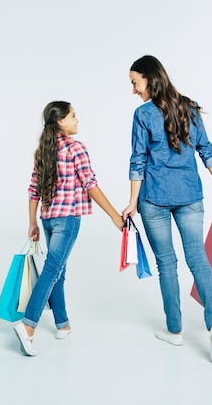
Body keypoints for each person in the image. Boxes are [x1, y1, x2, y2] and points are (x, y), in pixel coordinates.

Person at [122, 55, 212, 363]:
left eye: (135, 83)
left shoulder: (143, 114)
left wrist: (132, 201)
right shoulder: (189, 107)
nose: (133, 90)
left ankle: (175, 331)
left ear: (149, 78)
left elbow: (138, 160)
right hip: (190, 195)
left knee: (167, 264)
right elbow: (206, 150)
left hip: (154, 199)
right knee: (198, 259)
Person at [14, 100, 124, 357]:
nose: (77, 120)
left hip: (47, 218)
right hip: (68, 219)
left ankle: (62, 324)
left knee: (57, 270)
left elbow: (34, 191)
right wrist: (114, 216)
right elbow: (91, 185)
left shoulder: (42, 151)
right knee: (53, 270)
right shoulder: (76, 148)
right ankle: (28, 326)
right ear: (61, 121)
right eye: (73, 116)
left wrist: (32, 222)